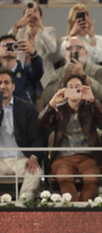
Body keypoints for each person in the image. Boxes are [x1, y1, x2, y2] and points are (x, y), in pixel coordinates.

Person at [37, 74, 102, 202]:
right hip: (63, 158)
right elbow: (41, 123)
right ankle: (74, 210)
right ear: (64, 89)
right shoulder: (58, 109)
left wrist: (93, 100)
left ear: (83, 89)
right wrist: (51, 103)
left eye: (78, 87)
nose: (74, 89)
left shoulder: (90, 107)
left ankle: (81, 212)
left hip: (88, 157)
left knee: (92, 180)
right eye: (70, 87)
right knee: (65, 179)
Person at [0, 68, 44, 201]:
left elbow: (38, 137)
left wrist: (33, 156)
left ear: (13, 86)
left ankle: (23, 206)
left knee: (36, 171)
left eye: (6, 83)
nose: (3, 86)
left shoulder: (27, 108)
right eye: (0, 83)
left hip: (20, 159)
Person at [42, 36, 102, 107]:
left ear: (86, 52)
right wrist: (63, 81)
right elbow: (46, 98)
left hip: (90, 113)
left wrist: (84, 76)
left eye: (78, 48)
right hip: (63, 113)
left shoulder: (100, 71)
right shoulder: (56, 74)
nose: (74, 51)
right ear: (65, 55)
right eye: (70, 49)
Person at [9, 2, 57, 89]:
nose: (32, 15)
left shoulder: (48, 31)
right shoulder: (20, 33)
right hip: (23, 76)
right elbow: (7, 47)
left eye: (35, 11)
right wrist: (17, 26)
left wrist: (40, 26)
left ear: (41, 17)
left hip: (44, 78)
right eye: (29, 13)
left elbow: (52, 49)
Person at [0, 34, 43, 104]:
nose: (8, 48)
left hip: (25, 112)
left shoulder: (27, 71)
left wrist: (33, 54)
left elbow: (38, 72)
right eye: (5, 45)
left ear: (17, 50)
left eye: (12, 45)